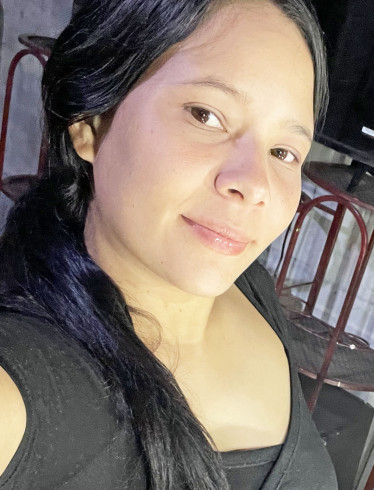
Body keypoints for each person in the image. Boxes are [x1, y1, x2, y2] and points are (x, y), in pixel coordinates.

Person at [0, 0, 337, 488]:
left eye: (283, 151)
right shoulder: (15, 396)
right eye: (206, 115)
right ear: (89, 124)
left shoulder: (252, 291)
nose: (255, 184)